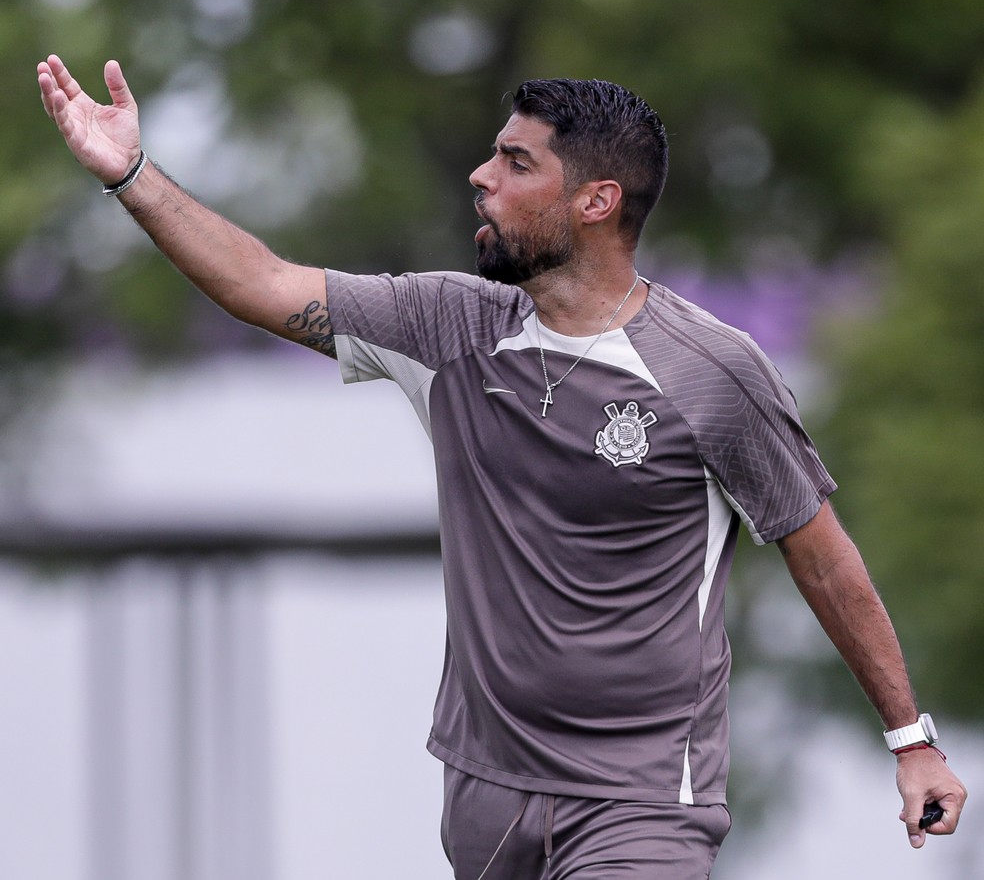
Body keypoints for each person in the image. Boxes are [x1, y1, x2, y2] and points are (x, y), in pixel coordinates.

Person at [38, 54, 966, 879]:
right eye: (491, 154)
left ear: (596, 201)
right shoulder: (447, 324)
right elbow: (262, 283)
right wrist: (131, 173)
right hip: (484, 797)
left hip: (640, 805)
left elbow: (823, 556)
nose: (481, 177)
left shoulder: (714, 374)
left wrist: (909, 738)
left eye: (517, 163)